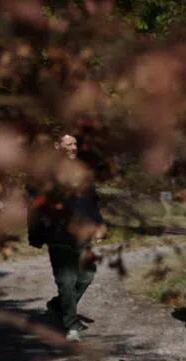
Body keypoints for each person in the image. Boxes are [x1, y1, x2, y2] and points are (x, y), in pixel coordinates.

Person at [28, 133, 106, 342]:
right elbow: (35, 206)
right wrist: (35, 234)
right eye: (68, 144)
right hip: (58, 235)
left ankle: (58, 305)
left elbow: (92, 202)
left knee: (87, 276)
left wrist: (98, 225)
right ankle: (71, 325)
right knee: (67, 280)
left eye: (75, 143)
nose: (73, 147)